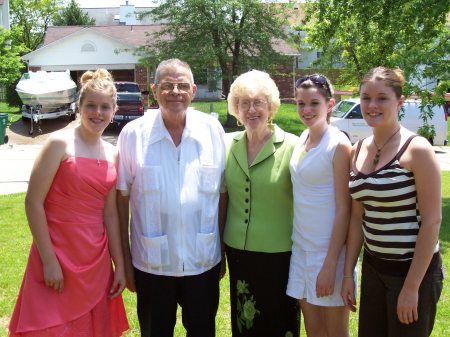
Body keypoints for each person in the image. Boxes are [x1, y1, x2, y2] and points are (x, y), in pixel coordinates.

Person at [8, 69, 129, 337]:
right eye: (91, 106)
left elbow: (110, 215)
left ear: (114, 110)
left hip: (95, 259)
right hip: (56, 251)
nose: (98, 113)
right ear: (79, 107)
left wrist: (118, 264)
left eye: (105, 107)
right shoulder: (58, 144)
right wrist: (49, 260)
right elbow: (33, 203)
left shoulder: (113, 154)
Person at [116, 58, 226, 337]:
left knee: (202, 332)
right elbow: (121, 200)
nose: (175, 91)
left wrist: (220, 251)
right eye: (167, 85)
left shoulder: (212, 131)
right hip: (153, 265)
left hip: (202, 261)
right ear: (154, 89)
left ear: (193, 90)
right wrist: (126, 260)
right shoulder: (133, 134)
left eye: (182, 85)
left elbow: (222, 195)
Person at [341, 66, 444, 337]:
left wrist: (411, 288)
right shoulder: (357, 150)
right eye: (366, 98)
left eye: (382, 98)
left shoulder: (417, 149)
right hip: (375, 269)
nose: (372, 105)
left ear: (399, 101)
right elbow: (356, 218)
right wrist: (348, 273)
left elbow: (432, 221)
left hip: (413, 272)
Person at [221, 69, 300, 337]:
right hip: (239, 252)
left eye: (258, 102)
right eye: (244, 103)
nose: (251, 110)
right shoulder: (227, 144)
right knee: (245, 320)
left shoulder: (293, 146)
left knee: (279, 318)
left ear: (271, 107)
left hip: (280, 254)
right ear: (236, 108)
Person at [286, 74, 354, 337]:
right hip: (301, 249)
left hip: (328, 254)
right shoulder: (302, 137)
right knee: (313, 331)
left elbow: (344, 209)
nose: (306, 110)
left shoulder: (338, 145)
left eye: (314, 103)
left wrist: (329, 265)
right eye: (300, 103)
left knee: (335, 332)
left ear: (330, 104)